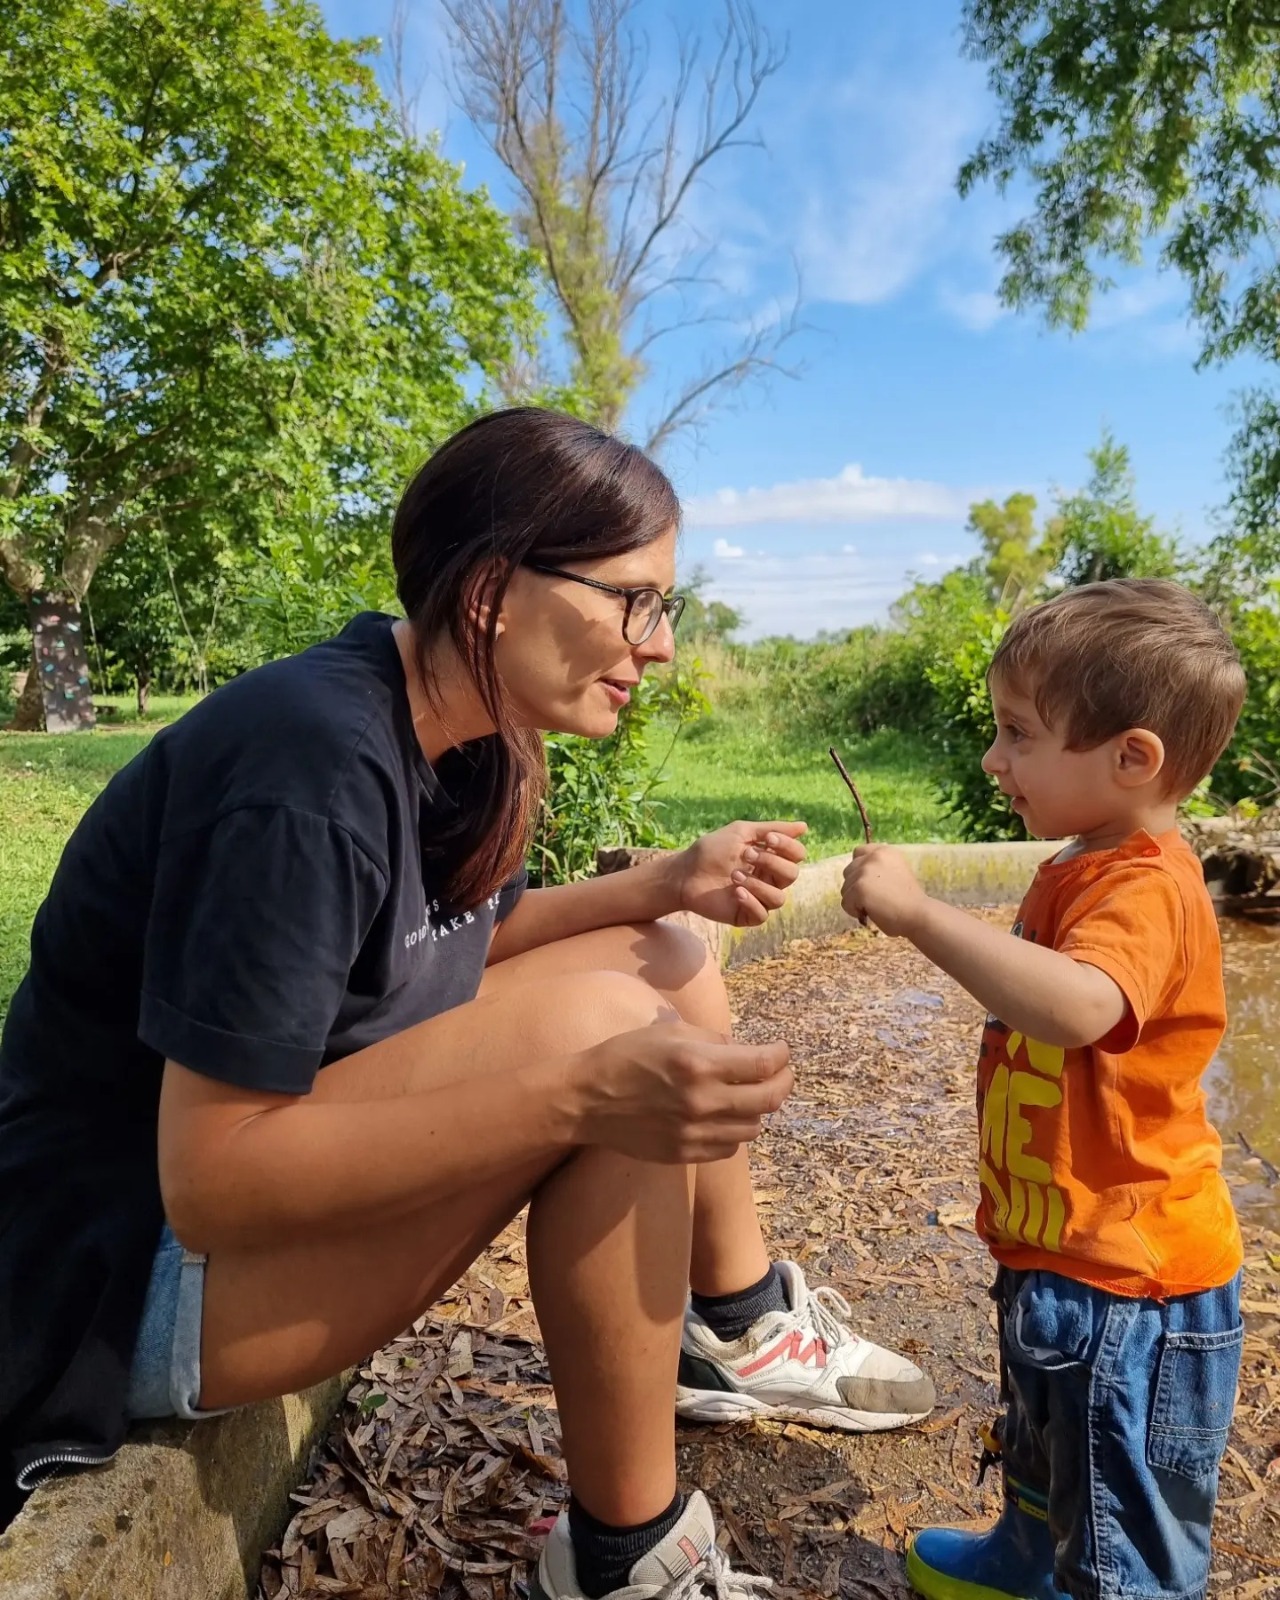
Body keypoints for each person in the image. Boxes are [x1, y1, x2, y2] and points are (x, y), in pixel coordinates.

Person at [0, 408, 934, 1600]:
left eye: (665, 606)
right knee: (609, 1048)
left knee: (657, 954)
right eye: (632, 600)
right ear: (493, 589)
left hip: (215, 1207)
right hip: (122, 1274)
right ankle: (624, 1558)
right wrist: (576, 1094)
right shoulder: (309, 772)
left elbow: (455, 942)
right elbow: (214, 1178)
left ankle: (735, 1322)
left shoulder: (464, 730)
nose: (656, 648)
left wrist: (666, 882)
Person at [842, 579, 1248, 1600]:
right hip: (1060, 1256)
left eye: (1017, 734)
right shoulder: (1080, 861)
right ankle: (1025, 1554)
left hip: (1130, 1288)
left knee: (1123, 1541)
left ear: (1130, 757)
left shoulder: (1147, 883)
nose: (991, 759)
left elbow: (1077, 1006)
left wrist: (921, 917)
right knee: (1045, 1443)